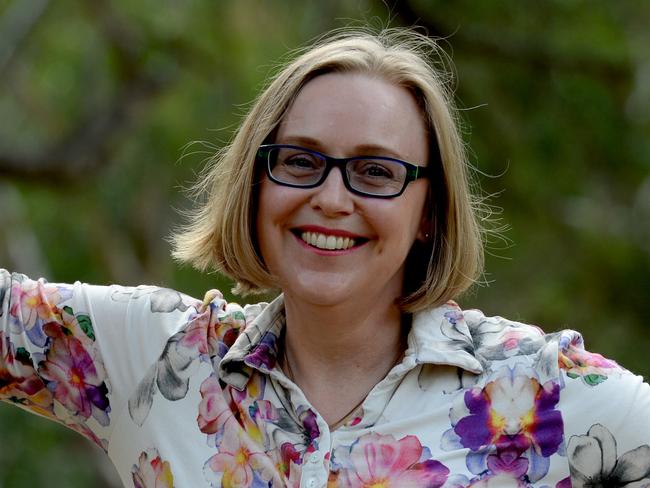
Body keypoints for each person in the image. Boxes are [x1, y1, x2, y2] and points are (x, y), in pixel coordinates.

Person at [2, 27, 649, 488]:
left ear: (429, 211)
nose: (330, 198)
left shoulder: (537, 390)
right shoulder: (149, 357)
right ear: (257, 184)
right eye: (301, 161)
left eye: (375, 170)